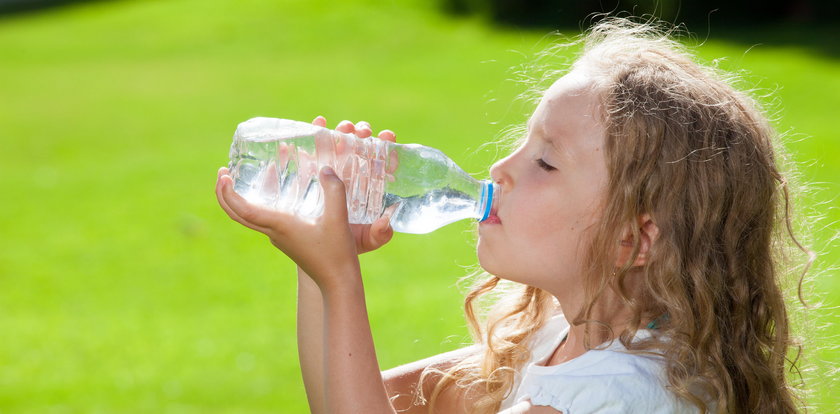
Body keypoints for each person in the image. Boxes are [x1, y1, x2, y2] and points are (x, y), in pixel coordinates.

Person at [215, 17, 812, 414]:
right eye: (522, 145)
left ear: (635, 239)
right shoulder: (558, 336)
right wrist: (322, 256)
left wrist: (340, 280)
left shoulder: (617, 394)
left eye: (545, 163)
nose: (500, 166)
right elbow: (357, 398)